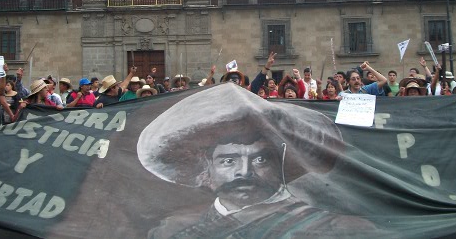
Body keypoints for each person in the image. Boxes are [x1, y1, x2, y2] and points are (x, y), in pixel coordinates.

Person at [138, 84, 378, 238]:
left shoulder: (340, 230)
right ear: (206, 170)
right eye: (228, 161)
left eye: (260, 159)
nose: (244, 172)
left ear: (282, 165)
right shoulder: (173, 230)